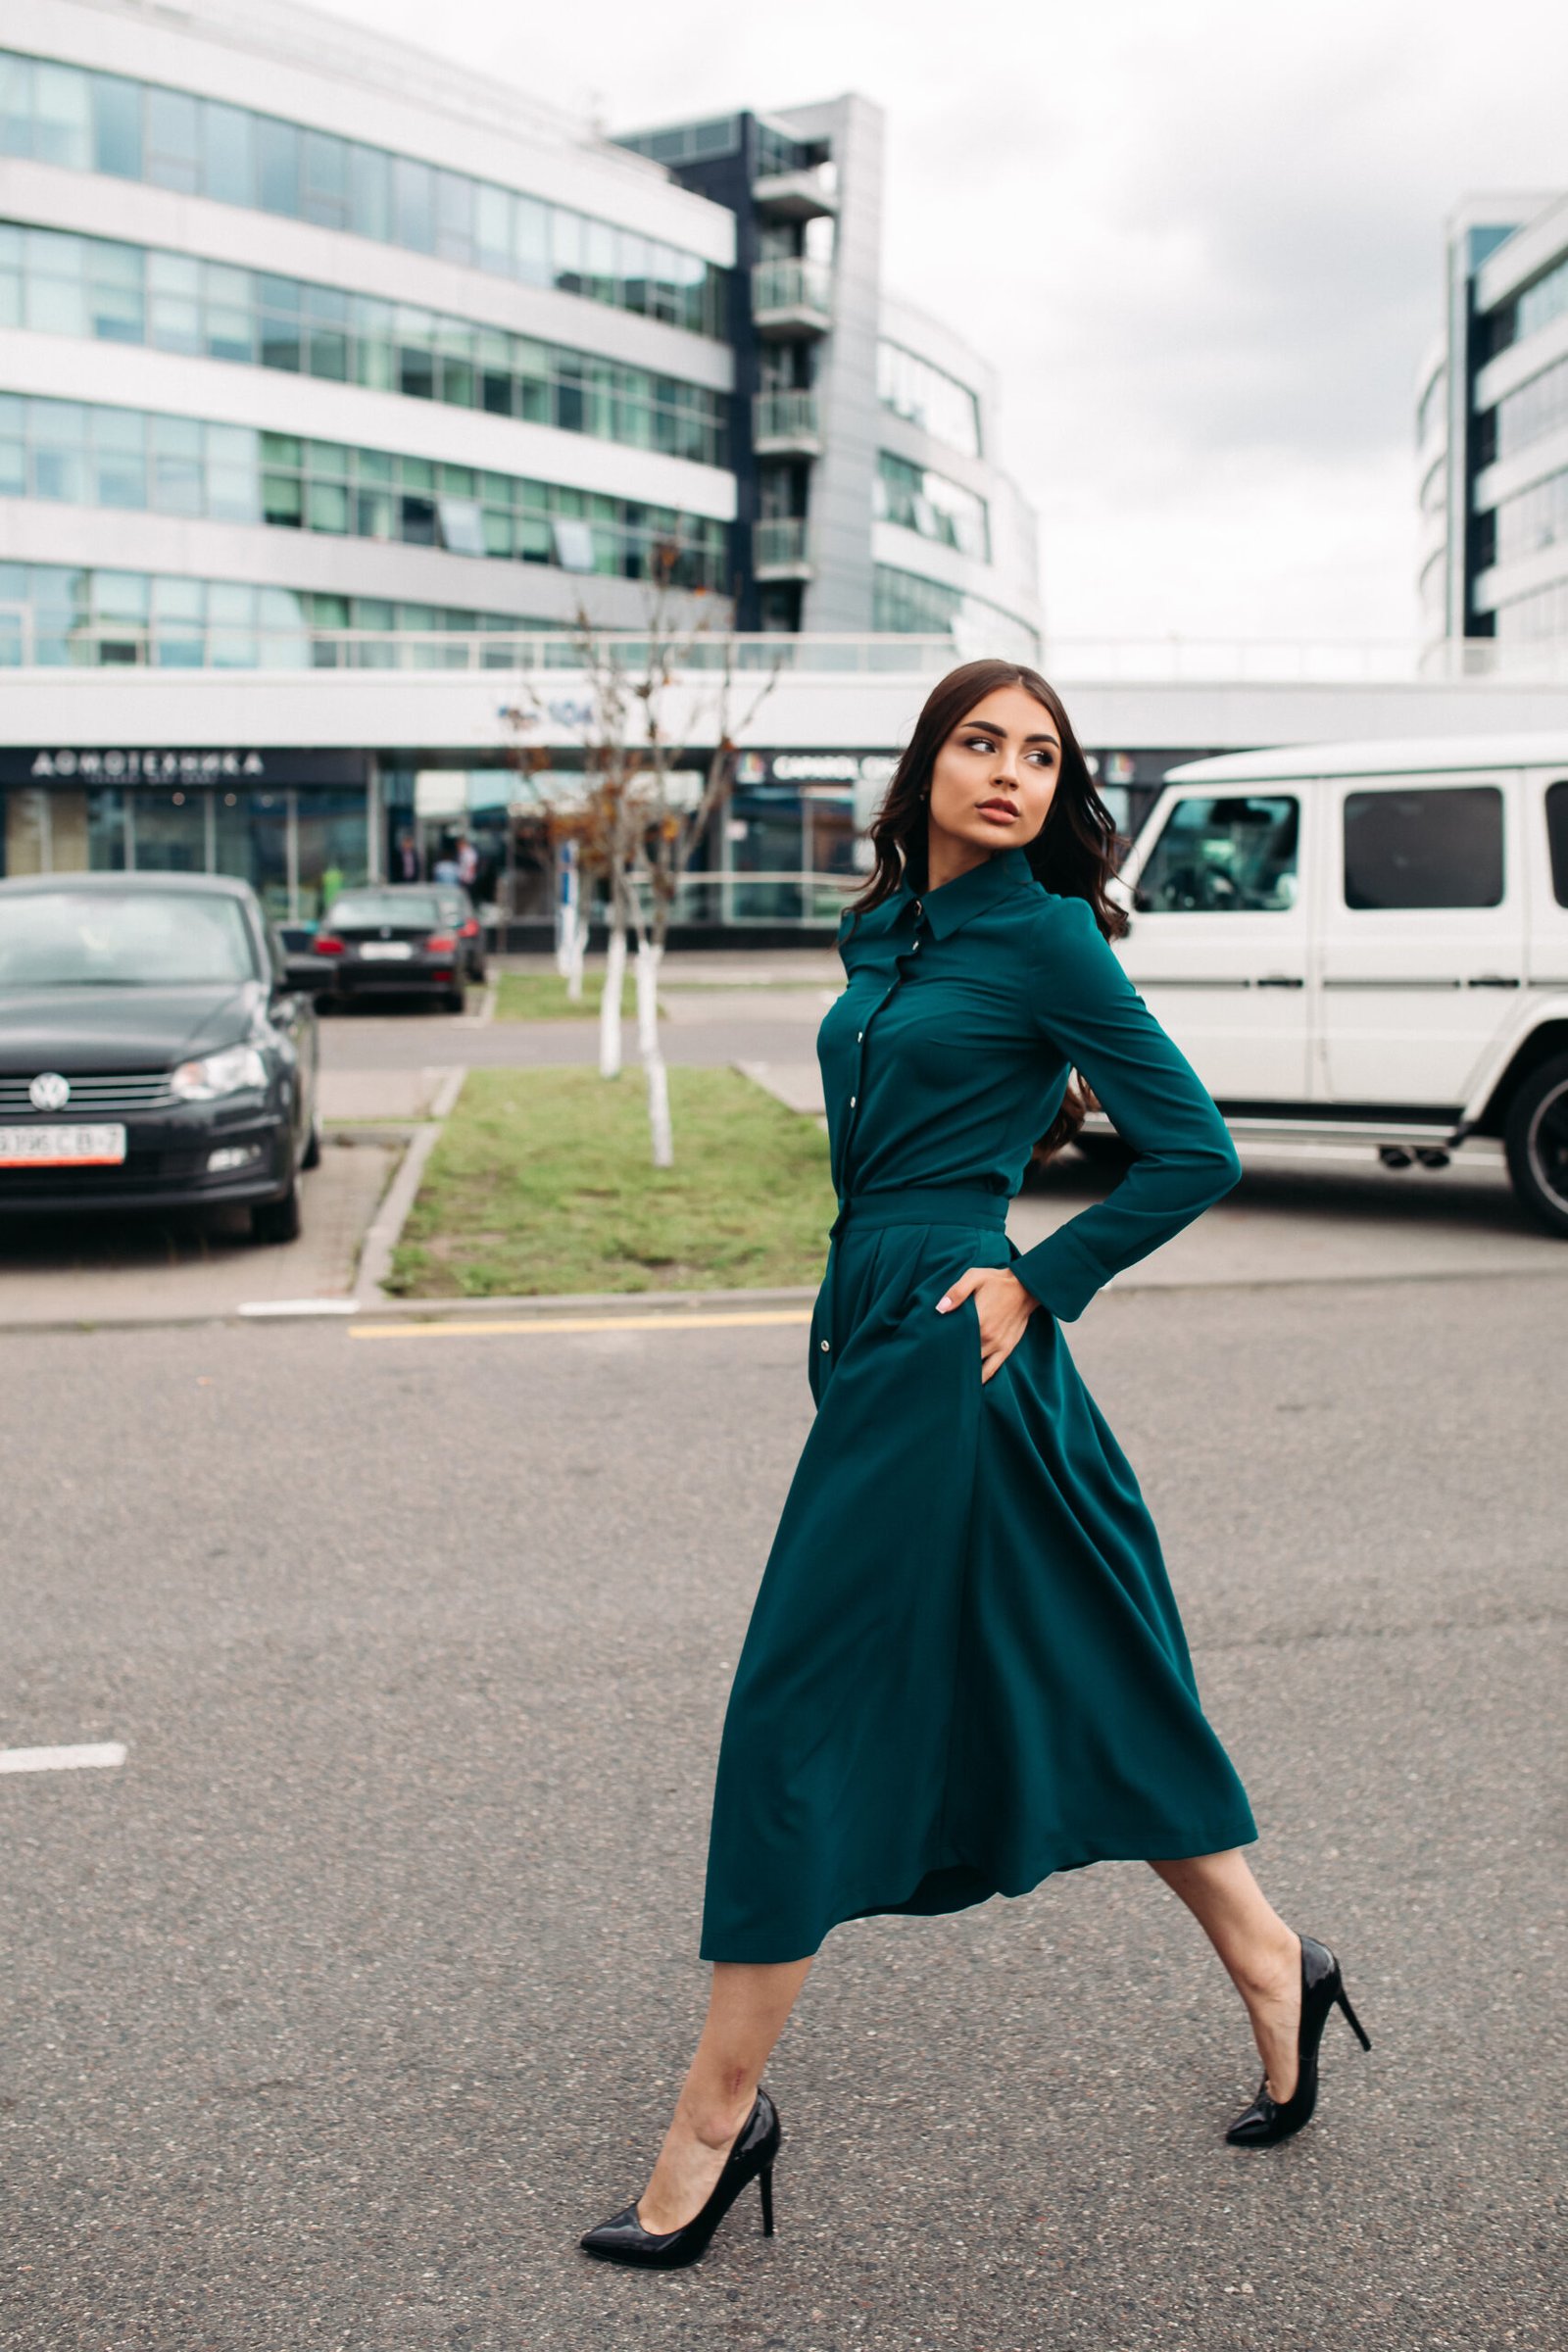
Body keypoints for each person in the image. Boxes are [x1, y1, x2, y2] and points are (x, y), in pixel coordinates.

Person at [577, 661, 1371, 2273]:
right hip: (875, 1328)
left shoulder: (1047, 933)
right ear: (927, 761)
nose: (1010, 771)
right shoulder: (883, 934)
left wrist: (1035, 1278)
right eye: (981, 741)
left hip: (958, 1343)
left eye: (1040, 754)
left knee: (795, 1709)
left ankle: (714, 2123)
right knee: (1083, 1669)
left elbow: (1194, 1149)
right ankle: (1278, 1964)